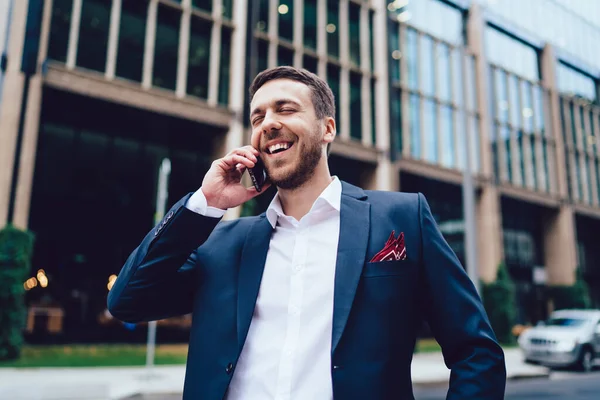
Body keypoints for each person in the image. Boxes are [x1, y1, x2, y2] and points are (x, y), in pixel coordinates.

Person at [108, 66, 506, 399]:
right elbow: (128, 300)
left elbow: (476, 352)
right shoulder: (223, 244)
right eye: (258, 117)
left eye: (285, 109)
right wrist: (204, 203)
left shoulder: (401, 218)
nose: (269, 124)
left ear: (327, 127)